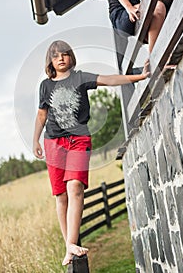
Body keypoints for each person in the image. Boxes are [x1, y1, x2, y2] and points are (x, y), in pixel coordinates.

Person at [33, 40, 150, 267]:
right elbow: (41, 115)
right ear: (50, 61)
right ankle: (69, 245)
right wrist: (35, 140)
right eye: (56, 55)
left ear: (71, 57)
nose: (61, 58)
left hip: (78, 139)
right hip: (53, 143)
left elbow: (109, 80)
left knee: (74, 186)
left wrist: (140, 77)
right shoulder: (45, 86)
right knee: (61, 195)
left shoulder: (80, 78)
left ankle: (72, 241)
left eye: (65, 54)